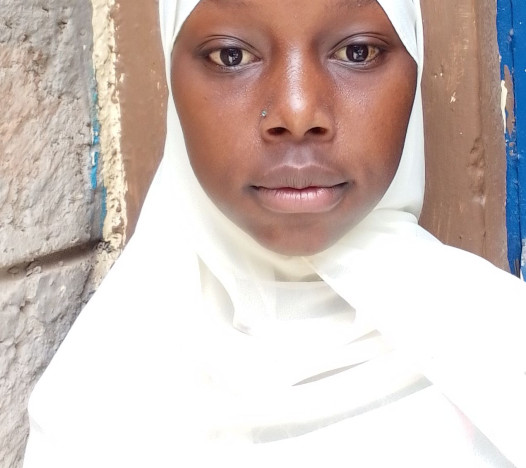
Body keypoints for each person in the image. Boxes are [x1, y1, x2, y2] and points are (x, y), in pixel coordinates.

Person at [23, 0, 526, 467]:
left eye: (357, 52)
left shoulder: (503, 354)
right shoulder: (94, 404)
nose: (298, 112)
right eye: (231, 55)